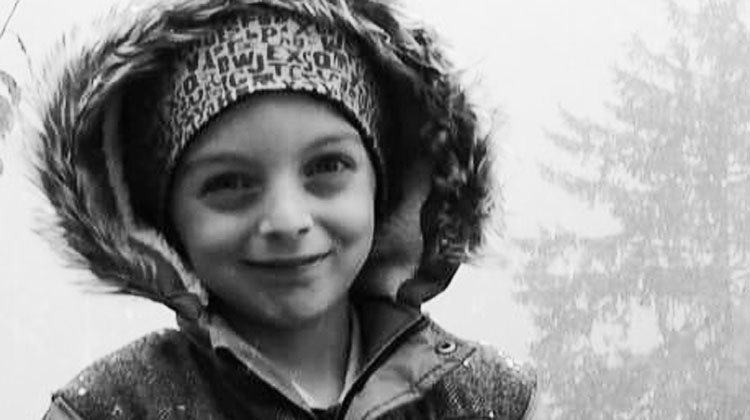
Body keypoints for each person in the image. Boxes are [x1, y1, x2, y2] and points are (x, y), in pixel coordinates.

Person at [27, 0, 536, 418]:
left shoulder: (486, 401)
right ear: (165, 225)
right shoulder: (116, 409)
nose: (289, 220)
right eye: (229, 183)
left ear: (382, 188)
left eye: (327, 166)